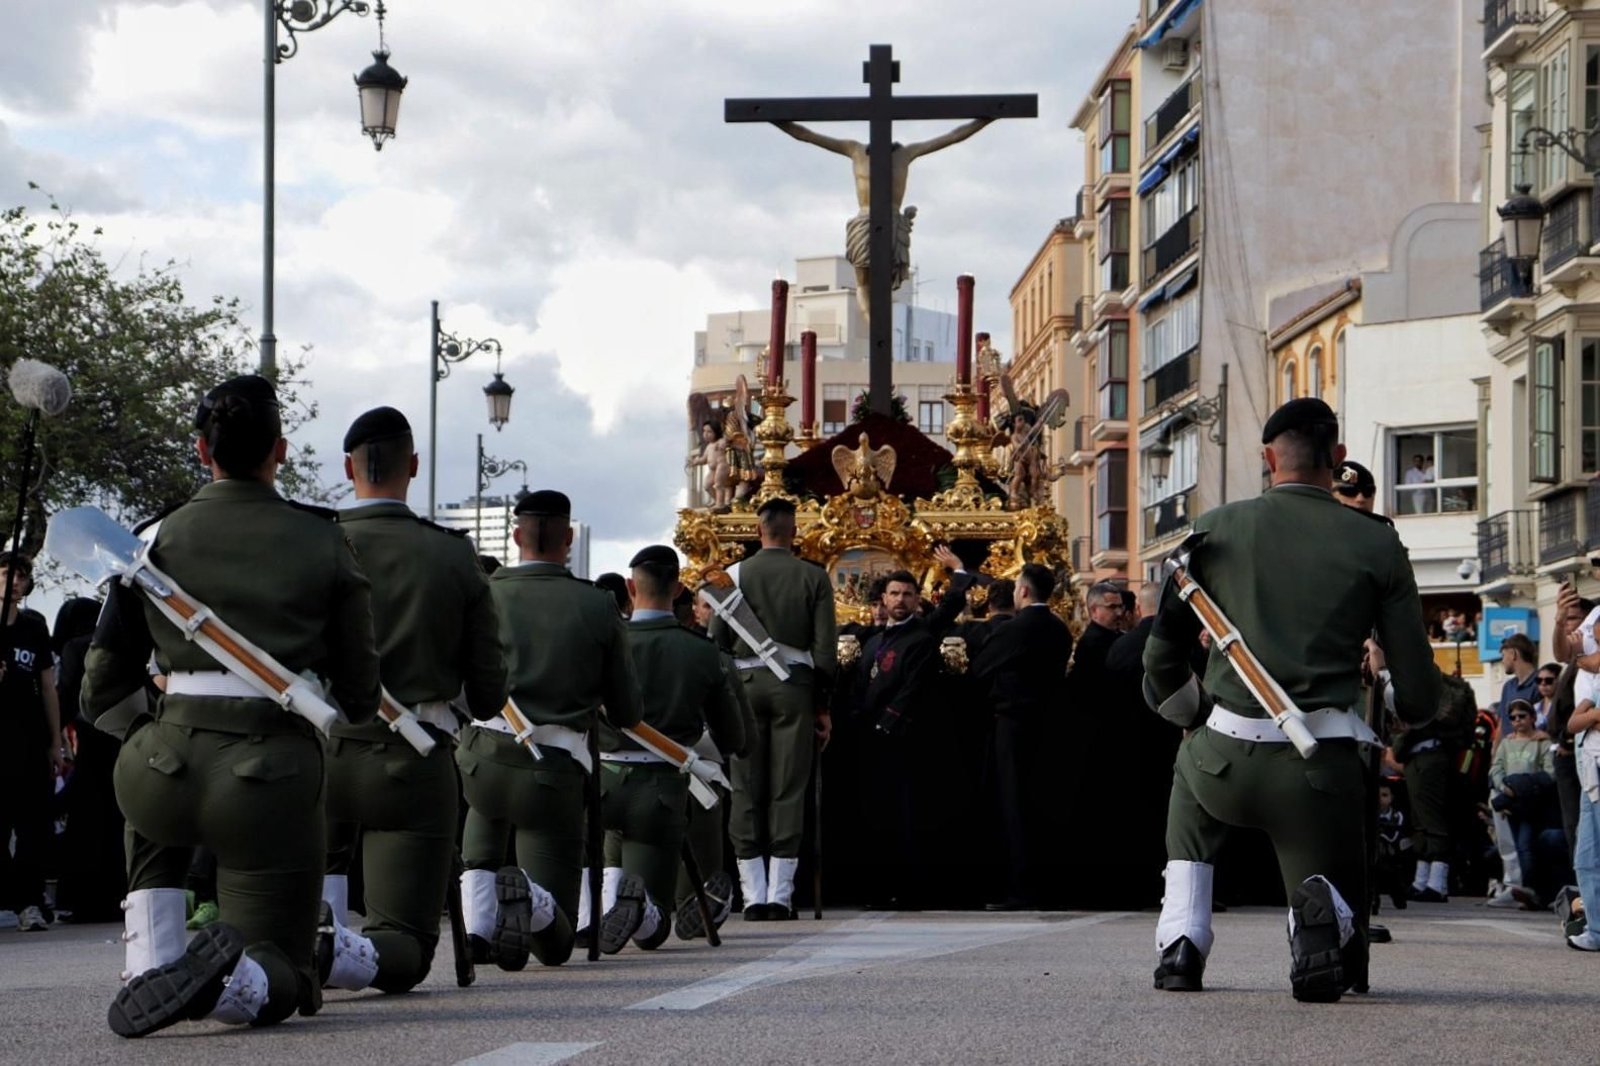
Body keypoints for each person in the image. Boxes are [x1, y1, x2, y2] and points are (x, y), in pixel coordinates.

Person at [82, 374, 381, 1036]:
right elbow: (360, 693)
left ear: (199, 449)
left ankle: (150, 956)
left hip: (164, 769)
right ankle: (232, 977)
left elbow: (101, 683)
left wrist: (149, 739)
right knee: (288, 971)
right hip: (266, 781)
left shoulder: (150, 541)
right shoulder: (323, 538)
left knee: (147, 784)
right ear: (280, 450)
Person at [1142, 397, 1438, 1003]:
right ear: (1338, 457)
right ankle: (1319, 930)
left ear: (1268, 459)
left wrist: (1191, 713)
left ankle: (1183, 943)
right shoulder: (1377, 544)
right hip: (1318, 769)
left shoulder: (1214, 530)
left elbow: (1161, 659)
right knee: (1325, 857)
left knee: (1190, 782)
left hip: (1222, 755)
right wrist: (1412, 707)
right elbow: (1417, 685)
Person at [319, 407, 508, 997]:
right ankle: (337, 953)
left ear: (348, 467)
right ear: (414, 466)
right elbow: (486, 695)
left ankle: (301, 942)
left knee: (285, 906)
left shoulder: (314, 539)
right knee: (403, 946)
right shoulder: (453, 554)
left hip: (311, 751)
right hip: (410, 759)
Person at [457, 489, 643, 970]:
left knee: (485, 799)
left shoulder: (485, 592)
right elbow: (625, 711)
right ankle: (533, 902)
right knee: (556, 942)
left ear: (516, 536)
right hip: (551, 772)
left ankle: (476, 928)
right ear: (569, 537)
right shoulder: (597, 605)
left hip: (483, 759)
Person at [594, 546, 745, 952]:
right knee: (654, 924)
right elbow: (734, 739)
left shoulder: (603, 643)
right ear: (679, 589)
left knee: (610, 842)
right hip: (665, 786)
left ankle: (598, 908)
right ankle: (644, 908)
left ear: (630, 586)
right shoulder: (701, 651)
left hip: (603, 779)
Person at [709, 497, 837, 921]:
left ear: (758, 530)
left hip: (743, 687)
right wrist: (822, 706)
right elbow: (824, 653)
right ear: (794, 532)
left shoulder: (731, 576)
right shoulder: (814, 577)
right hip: (794, 688)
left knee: (745, 786)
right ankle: (781, 896)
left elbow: (717, 645)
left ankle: (753, 895)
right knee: (788, 787)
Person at [969, 563, 1071, 909]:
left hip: (1013, 725)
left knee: (1012, 805)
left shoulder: (1017, 628)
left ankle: (1019, 888)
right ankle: (1045, 884)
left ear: (1024, 591)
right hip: (1051, 725)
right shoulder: (1060, 628)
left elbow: (980, 666)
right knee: (1043, 803)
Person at [854, 569, 946, 908]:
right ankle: (879, 888)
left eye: (908, 594)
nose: (901, 600)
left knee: (905, 815)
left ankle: (908, 891)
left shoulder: (921, 640)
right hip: (871, 742)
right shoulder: (875, 642)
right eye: (895, 593)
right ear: (884, 598)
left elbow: (916, 688)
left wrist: (887, 723)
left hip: (905, 742)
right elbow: (862, 683)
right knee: (876, 814)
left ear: (917, 599)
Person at [1105, 582, 1184, 907]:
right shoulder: (1179, 644)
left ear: (1138, 610)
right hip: (1170, 741)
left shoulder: (1121, 648)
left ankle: (1138, 886)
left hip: (1127, 746)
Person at [0, 552, 63, 933]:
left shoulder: (33, 628)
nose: (15, 580)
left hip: (29, 740)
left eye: (22, 575)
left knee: (32, 828)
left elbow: (48, 686)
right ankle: (13, 894)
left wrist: (56, 740)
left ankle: (28, 902)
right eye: (8, 572)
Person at [1384, 649, 1474, 904]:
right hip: (1417, 760)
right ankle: (1422, 881)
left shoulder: (1431, 691)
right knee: (1419, 821)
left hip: (1428, 758)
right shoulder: (1425, 688)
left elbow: (1413, 727)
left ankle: (1437, 883)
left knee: (1431, 820)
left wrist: (1399, 746)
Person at [1488, 699, 1558, 909]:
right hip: (1509, 801)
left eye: (1522, 716)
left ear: (1533, 718)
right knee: (1508, 846)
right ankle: (1514, 887)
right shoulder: (1507, 743)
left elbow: (1550, 772)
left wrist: (1524, 785)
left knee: (1525, 845)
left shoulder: (1542, 743)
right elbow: (1496, 768)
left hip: (1532, 803)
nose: (1517, 721)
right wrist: (1504, 787)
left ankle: (1530, 889)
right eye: (1513, 717)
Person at [1496, 634, 1540, 737]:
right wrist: (1496, 749)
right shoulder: (1508, 687)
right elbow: (1502, 722)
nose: (1502, 661)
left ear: (1513, 654)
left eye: (1503, 655)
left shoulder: (1541, 683)